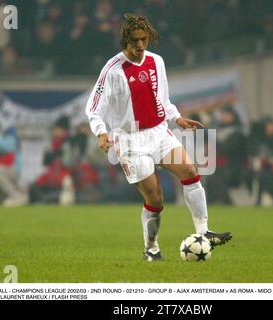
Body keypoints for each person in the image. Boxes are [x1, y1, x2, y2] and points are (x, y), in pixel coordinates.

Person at [85, 13, 232, 261]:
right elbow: (93, 107)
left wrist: (177, 119)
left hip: (158, 131)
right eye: (135, 41)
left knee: (189, 170)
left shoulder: (157, 62)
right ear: (125, 40)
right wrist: (101, 133)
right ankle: (151, 248)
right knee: (156, 198)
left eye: (144, 39)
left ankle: (204, 232)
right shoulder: (112, 70)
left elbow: (162, 100)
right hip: (130, 140)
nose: (141, 45)